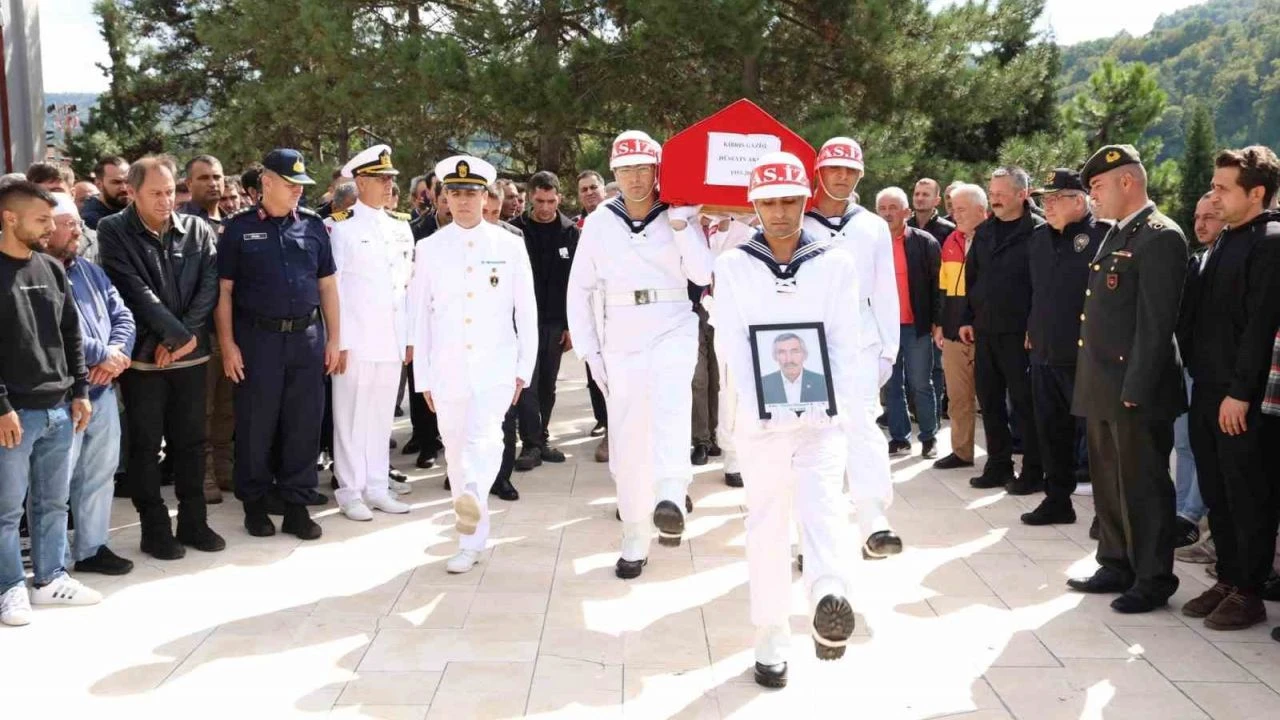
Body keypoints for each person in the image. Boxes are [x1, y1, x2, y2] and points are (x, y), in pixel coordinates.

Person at [713, 151, 861, 689]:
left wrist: (833, 404)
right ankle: (771, 636)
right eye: (770, 202)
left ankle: (828, 598)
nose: (780, 213)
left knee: (825, 510)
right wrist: (760, 405)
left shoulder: (834, 262)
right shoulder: (733, 264)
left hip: (821, 418)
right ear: (754, 206)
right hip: (761, 423)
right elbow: (730, 342)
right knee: (768, 524)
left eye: (790, 202)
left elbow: (844, 341)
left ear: (806, 201)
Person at [566, 129, 713, 578]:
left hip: (673, 320)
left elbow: (702, 273)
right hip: (622, 329)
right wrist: (589, 350)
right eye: (625, 169)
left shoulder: (677, 210)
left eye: (643, 168)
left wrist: (683, 226)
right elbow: (580, 288)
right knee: (629, 436)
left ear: (657, 171)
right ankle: (634, 531)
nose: (634, 178)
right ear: (615, 172)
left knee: (671, 406)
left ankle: (670, 494)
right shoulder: (600, 221)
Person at [1067, 144, 1188, 614]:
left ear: (1127, 181)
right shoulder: (1118, 233)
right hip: (1104, 383)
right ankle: (1115, 562)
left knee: (1143, 485)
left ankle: (1153, 578)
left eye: (1097, 186)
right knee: (1109, 482)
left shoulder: (1161, 236)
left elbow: (1156, 325)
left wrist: (1136, 387)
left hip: (1136, 388)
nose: (1093, 196)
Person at [407, 155, 537, 574]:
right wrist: (423, 377)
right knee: (455, 448)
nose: (463, 201)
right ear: (444, 197)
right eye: (456, 193)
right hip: (446, 366)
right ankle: (470, 534)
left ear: (485, 197)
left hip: (496, 364)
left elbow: (526, 311)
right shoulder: (428, 248)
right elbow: (419, 317)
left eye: (471, 193)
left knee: (487, 439)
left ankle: (473, 504)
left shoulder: (508, 245)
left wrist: (524, 368)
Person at [98, 155, 225, 560]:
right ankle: (154, 529)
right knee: (146, 446)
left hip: (190, 358)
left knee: (192, 443)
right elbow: (133, 291)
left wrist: (183, 339)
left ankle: (194, 522)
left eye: (170, 192)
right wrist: (174, 337)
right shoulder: (113, 230)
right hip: (143, 361)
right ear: (132, 192)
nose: (165, 201)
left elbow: (209, 284)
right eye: (155, 193)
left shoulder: (196, 229)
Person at [1178, 146, 1280, 630]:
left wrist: (1240, 393)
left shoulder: (1271, 242)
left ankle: (1250, 590)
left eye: (1223, 188)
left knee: (1248, 495)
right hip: (1208, 387)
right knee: (1218, 491)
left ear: (1256, 193)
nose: (1214, 196)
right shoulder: (1227, 239)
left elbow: (1260, 327)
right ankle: (1229, 577)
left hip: (1242, 397)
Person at [216, 149, 341, 541]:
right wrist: (228, 344)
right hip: (258, 340)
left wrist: (335, 338)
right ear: (266, 183)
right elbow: (224, 291)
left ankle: (297, 505)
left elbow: (327, 285)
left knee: (303, 424)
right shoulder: (238, 228)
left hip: (306, 338)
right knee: (257, 424)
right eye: (290, 184)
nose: (298, 191)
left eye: (301, 185)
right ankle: (255, 504)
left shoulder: (313, 226)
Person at [0, 182, 100, 627]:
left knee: (53, 503)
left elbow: (71, 333)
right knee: (6, 510)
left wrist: (80, 391)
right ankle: (8, 588)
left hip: (59, 408)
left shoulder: (51, 268)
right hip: (12, 414)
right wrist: (1, 406)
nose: (49, 228)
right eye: (41, 220)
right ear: (10, 218)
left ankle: (49, 579)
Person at [802, 137, 902, 558]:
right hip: (806, 338)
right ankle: (810, 531)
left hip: (860, 336)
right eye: (834, 169)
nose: (842, 177)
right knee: (809, 434)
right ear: (818, 172)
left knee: (862, 425)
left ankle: (872, 517)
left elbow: (885, 290)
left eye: (851, 170)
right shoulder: (797, 219)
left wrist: (889, 349)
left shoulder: (872, 225)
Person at [45, 193, 136, 575]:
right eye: (68, 225)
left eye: (78, 224)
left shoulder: (88, 270)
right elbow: (54, 329)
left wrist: (116, 354)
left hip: (101, 390)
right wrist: (103, 355)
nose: (77, 232)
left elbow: (123, 314)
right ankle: (52, 566)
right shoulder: (34, 271)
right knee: (54, 487)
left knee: (99, 476)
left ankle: (92, 548)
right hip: (63, 398)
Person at [327, 145, 415, 522]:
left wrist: (408, 338)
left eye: (391, 178)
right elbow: (333, 289)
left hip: (390, 339)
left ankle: (377, 486)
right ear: (361, 182)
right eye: (381, 179)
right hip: (356, 339)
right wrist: (339, 341)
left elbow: (406, 288)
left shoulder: (400, 226)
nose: (389, 184)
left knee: (381, 418)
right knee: (350, 418)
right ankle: (350, 491)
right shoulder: (340, 227)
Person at [1021, 169, 1108, 526]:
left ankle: (1107, 514)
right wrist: (1032, 327)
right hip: (1045, 351)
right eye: (1045, 200)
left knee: (1098, 440)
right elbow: (1036, 290)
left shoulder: (1102, 235)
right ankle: (1057, 501)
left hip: (1085, 356)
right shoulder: (1039, 238)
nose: (1048, 206)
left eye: (1056, 199)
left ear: (1079, 200)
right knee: (1051, 432)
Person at [961, 166, 1044, 494]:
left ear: (1022, 194)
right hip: (986, 330)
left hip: (1021, 334)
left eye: (1000, 194)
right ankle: (998, 465)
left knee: (1024, 404)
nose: (994, 200)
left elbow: (1045, 287)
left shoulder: (1039, 231)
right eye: (991, 193)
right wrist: (967, 317)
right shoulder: (985, 231)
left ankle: (1034, 471)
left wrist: (1035, 326)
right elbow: (972, 277)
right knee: (990, 401)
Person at [510, 171, 578, 470]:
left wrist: (571, 325)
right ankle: (531, 443)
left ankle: (541, 437)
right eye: (539, 201)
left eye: (551, 201)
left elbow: (576, 283)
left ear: (559, 198)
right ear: (530, 198)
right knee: (527, 383)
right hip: (522, 322)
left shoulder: (570, 232)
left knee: (548, 384)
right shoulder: (515, 231)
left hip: (554, 322)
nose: (546, 207)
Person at [1173, 194, 1224, 564]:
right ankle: (1182, 514)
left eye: (1210, 217)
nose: (1200, 224)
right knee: (1184, 444)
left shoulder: (1231, 260)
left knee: (1202, 448)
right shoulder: (1197, 260)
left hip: (1213, 372)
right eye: (1197, 216)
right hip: (1188, 366)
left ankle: (1192, 516)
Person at [875, 186, 941, 459]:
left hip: (917, 326)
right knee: (891, 386)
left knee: (920, 383)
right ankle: (899, 438)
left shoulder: (924, 242)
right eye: (882, 208)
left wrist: (938, 321)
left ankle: (929, 437)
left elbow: (938, 286)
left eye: (893, 208)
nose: (887, 213)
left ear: (906, 212)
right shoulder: (871, 245)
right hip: (883, 328)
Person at [933, 184, 984, 470]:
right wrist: (940, 324)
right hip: (953, 331)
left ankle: (1003, 457)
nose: (955, 215)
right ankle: (962, 452)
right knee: (957, 397)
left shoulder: (993, 239)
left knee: (994, 400)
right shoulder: (950, 240)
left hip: (986, 331)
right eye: (953, 209)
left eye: (962, 209)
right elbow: (943, 287)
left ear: (981, 209)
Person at [760, 333, 829, 404]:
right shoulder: (763, 384)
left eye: (795, 352)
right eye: (782, 352)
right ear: (775, 357)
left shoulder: (822, 382)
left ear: (805, 355)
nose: (789, 360)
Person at [178, 155, 226, 230]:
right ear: (189, 184)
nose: (212, 184)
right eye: (204, 178)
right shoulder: (179, 223)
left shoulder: (234, 221)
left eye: (217, 177)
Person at [81, 156, 131, 230]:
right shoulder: (91, 220)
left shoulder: (137, 209)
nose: (124, 188)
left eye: (128, 181)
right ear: (99, 185)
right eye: (116, 182)